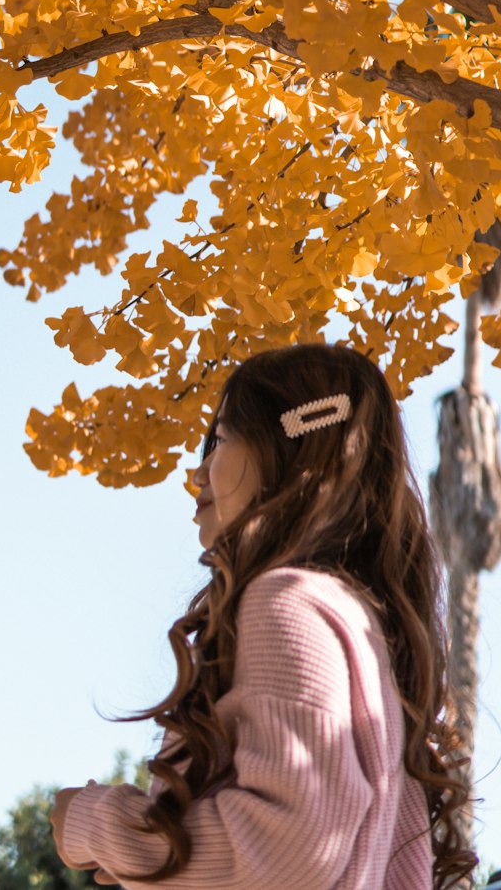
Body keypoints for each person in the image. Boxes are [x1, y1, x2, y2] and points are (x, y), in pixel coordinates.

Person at [49, 342, 477, 889]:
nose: (198, 472)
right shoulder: (358, 630)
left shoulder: (288, 603)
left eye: (221, 439)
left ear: (291, 447)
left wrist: (97, 825)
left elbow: (285, 851)